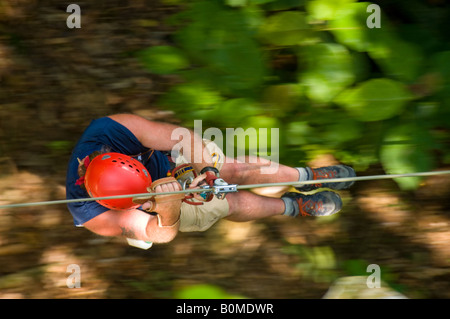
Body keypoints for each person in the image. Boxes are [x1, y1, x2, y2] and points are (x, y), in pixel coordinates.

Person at [66, 113, 355, 246]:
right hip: (159, 209)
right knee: (230, 203)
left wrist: (208, 172)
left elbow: (182, 138)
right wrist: (168, 207)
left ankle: (306, 177)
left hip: (168, 161)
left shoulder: (109, 131)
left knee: (233, 172)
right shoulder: (93, 215)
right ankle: (294, 206)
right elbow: (159, 234)